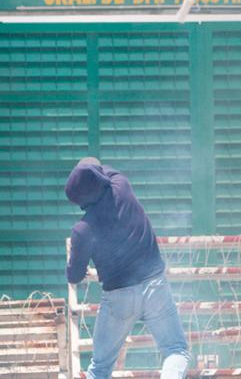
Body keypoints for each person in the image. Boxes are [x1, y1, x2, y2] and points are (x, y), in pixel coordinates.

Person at [65, 157, 191, 379]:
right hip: (155, 285)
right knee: (176, 350)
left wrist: (74, 260)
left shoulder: (82, 229)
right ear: (101, 178)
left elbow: (74, 276)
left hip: (118, 296)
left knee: (100, 368)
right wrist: (89, 169)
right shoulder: (121, 187)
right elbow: (102, 168)